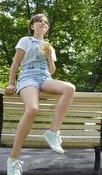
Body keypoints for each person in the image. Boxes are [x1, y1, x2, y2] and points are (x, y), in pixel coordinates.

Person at [5, 13, 75, 175]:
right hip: (28, 77)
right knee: (32, 109)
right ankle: (13, 160)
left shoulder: (48, 46)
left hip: (44, 77)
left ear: (47, 28)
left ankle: (53, 132)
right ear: (32, 26)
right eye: (38, 21)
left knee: (69, 88)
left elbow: (51, 70)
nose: (42, 23)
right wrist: (11, 83)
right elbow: (16, 63)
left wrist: (50, 56)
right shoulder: (25, 41)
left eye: (45, 22)